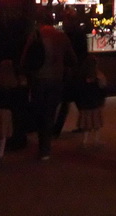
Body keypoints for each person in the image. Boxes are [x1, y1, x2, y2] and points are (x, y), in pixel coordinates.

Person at [20, 15, 78, 161]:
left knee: (39, 109)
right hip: (56, 78)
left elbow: (25, 57)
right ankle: (46, 147)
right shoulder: (61, 37)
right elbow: (72, 58)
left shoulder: (35, 35)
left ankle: (42, 144)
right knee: (50, 111)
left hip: (38, 78)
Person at [53, 7, 91, 137]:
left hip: (72, 70)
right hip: (75, 70)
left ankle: (57, 129)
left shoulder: (71, 34)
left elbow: (73, 53)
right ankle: (85, 124)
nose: (64, 23)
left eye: (65, 20)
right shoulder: (76, 33)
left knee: (66, 99)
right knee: (74, 99)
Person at [76, 55, 108, 147]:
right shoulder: (98, 76)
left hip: (85, 103)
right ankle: (96, 140)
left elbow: (78, 90)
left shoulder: (81, 77)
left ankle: (85, 140)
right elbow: (103, 88)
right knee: (96, 122)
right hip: (95, 102)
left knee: (86, 123)